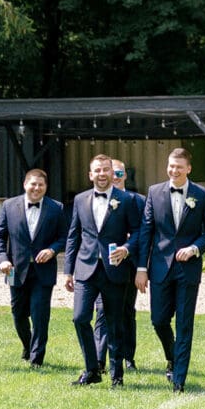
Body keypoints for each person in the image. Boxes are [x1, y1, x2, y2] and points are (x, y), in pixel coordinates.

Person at [136, 146, 205, 393]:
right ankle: (172, 357)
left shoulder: (202, 195)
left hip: (188, 270)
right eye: (171, 166)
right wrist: (142, 267)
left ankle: (179, 378)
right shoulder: (154, 192)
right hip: (160, 268)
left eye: (179, 167)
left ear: (188, 169)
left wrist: (195, 248)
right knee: (158, 320)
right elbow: (146, 231)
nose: (174, 170)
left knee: (184, 324)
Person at [64, 153, 142, 386]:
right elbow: (73, 236)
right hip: (86, 269)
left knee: (115, 322)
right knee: (79, 318)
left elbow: (138, 232)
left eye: (106, 170)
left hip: (115, 269)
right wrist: (67, 271)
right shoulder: (80, 200)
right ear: (90, 175)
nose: (102, 174)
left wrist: (126, 249)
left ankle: (117, 375)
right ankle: (92, 370)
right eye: (97, 170)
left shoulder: (125, 200)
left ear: (112, 172)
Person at [0, 168, 67, 368]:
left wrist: (52, 250)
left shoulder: (56, 208)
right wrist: (2, 259)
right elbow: (0, 235)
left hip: (43, 271)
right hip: (13, 270)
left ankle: (36, 359)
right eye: (33, 184)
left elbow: (64, 237)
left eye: (41, 185)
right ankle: (28, 346)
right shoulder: (9, 206)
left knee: (39, 315)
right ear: (25, 184)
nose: (36, 188)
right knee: (18, 314)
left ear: (46, 187)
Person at [93, 158, 145, 373]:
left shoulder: (137, 200)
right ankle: (99, 360)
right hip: (102, 266)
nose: (114, 176)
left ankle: (128, 357)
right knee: (102, 311)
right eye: (111, 172)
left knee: (126, 312)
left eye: (119, 173)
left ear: (125, 176)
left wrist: (141, 266)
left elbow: (143, 234)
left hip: (128, 265)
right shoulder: (95, 199)